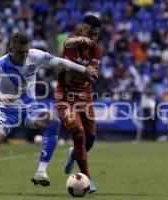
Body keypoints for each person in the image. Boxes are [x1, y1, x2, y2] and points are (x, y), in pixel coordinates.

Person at [0, 33, 97, 195]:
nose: (24, 55)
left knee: (53, 121)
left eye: (26, 51)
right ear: (11, 49)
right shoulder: (0, 66)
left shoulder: (34, 55)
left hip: (30, 107)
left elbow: (58, 61)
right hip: (6, 110)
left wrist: (84, 69)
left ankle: (41, 171)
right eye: (20, 52)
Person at [54, 15, 102, 193]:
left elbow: (92, 76)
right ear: (81, 30)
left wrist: (74, 70)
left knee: (88, 142)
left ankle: (73, 153)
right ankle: (88, 180)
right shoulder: (72, 44)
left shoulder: (97, 50)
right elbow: (68, 45)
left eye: (96, 35)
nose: (93, 38)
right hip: (65, 97)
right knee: (79, 133)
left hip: (85, 97)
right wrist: (82, 70)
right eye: (90, 33)